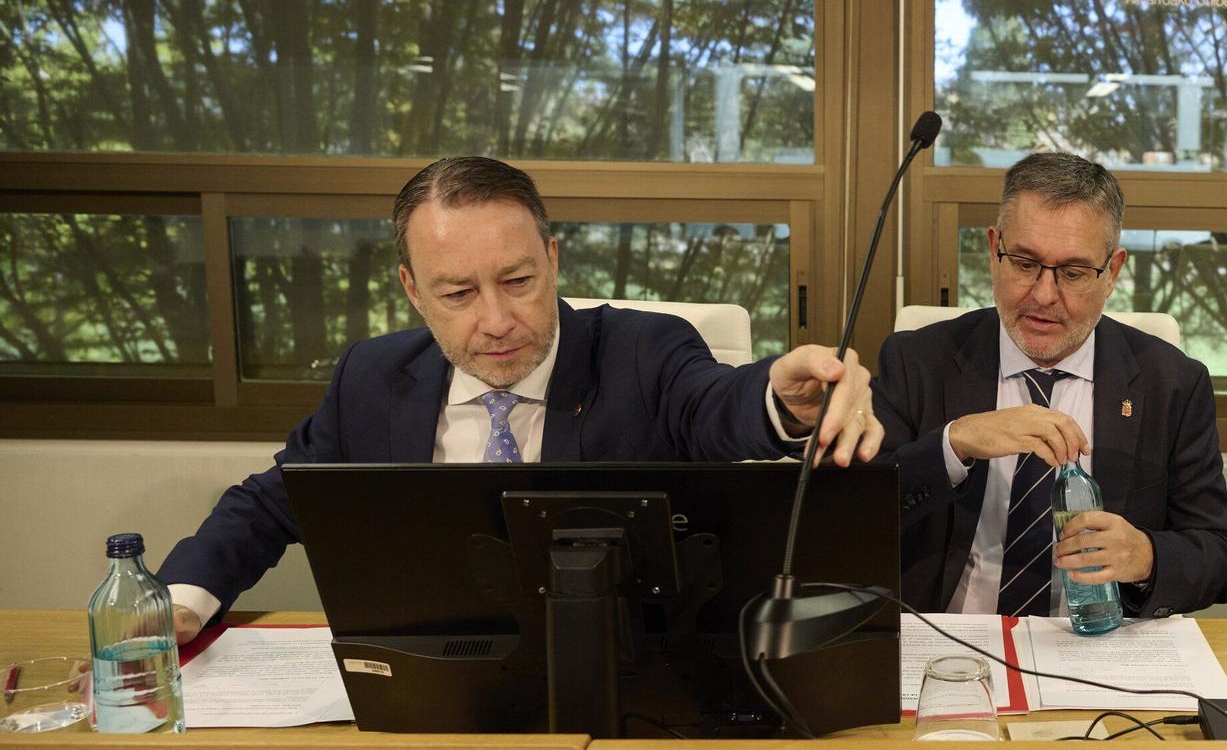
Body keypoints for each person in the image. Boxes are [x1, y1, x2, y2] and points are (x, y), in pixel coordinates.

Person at [162, 156, 882, 641]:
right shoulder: (373, 379)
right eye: (457, 293)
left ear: (554, 258)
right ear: (413, 288)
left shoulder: (643, 354)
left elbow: (715, 406)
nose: (498, 320)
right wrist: (178, 605)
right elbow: (268, 503)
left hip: (622, 678)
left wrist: (781, 402)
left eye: (517, 281)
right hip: (436, 682)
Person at [874, 152, 1227, 617]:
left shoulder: (1173, 384)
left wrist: (1145, 555)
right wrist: (953, 442)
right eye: (1024, 264)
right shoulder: (916, 361)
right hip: (951, 639)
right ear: (993, 249)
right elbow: (852, 518)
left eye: (1073, 273)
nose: (1044, 296)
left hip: (1094, 648)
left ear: (1113, 272)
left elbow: (1217, 558)